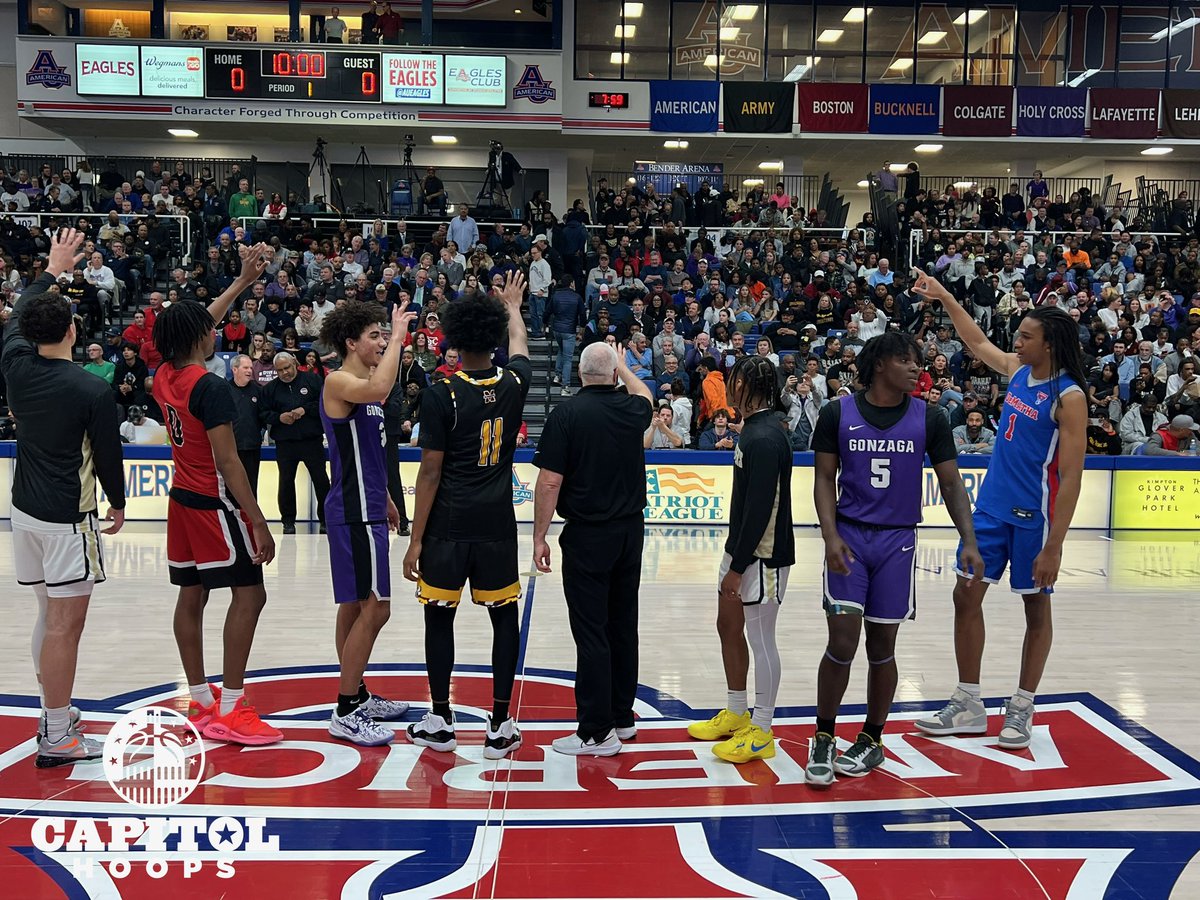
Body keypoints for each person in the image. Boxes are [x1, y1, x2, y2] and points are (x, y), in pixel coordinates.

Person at [910, 270, 1088, 751]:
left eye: (1027, 337)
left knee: (1036, 607)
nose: (1017, 341)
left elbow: (1070, 477)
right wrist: (945, 296)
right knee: (964, 597)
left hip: (1035, 518)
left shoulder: (1070, 398)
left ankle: (1022, 706)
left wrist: (1055, 546)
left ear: (1049, 345)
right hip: (990, 510)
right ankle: (968, 703)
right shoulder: (1019, 371)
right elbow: (976, 342)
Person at [804, 332, 982, 786]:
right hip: (849, 537)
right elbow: (824, 479)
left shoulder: (932, 418)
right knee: (843, 641)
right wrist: (829, 535)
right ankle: (824, 734)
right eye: (905, 360)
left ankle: (872, 738)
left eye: (916, 361)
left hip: (898, 542)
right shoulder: (836, 413)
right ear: (880, 363)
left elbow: (951, 484)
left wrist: (969, 539)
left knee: (882, 646)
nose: (915, 368)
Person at [3, 227, 125, 768]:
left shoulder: (15, 364)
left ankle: (55, 710)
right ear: (74, 330)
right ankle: (56, 731)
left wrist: (51, 271)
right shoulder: (92, 388)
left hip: (24, 510)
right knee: (64, 625)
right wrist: (118, 503)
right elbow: (106, 457)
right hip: (67, 518)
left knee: (45, 613)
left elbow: (20, 312)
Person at [154, 242, 281, 746]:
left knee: (192, 594)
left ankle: (201, 698)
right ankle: (232, 706)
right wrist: (257, 520)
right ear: (201, 339)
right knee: (251, 593)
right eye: (210, 331)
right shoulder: (210, 388)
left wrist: (241, 283)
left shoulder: (164, 374)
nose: (216, 330)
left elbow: (194, 324)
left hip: (180, 499)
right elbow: (229, 464)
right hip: (213, 501)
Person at [402, 272, 531, 760]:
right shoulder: (516, 382)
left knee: (439, 620)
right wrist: (513, 306)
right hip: (497, 525)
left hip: (449, 527)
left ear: (453, 341)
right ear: (493, 336)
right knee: (505, 622)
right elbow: (519, 341)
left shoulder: (441, 393)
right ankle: (500, 723)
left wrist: (415, 540)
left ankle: (441, 717)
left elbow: (430, 474)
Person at [531, 343, 654, 755]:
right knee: (623, 625)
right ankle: (622, 717)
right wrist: (623, 365)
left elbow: (550, 482)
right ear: (615, 373)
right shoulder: (630, 408)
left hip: (588, 535)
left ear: (579, 374)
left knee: (591, 632)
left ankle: (596, 732)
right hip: (630, 533)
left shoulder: (566, 414)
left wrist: (538, 536)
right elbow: (647, 397)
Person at [687, 356, 794, 764]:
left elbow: (761, 510)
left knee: (761, 639)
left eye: (734, 380)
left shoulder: (766, 438)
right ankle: (736, 711)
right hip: (742, 550)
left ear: (750, 386)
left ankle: (762, 729)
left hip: (763, 555)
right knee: (727, 624)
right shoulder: (752, 430)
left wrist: (737, 567)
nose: (727, 385)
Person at [320, 301, 418, 746]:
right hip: (353, 511)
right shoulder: (340, 381)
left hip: (368, 506)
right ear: (351, 343)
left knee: (355, 604)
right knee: (377, 607)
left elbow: (370, 451)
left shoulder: (363, 387)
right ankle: (345, 710)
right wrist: (399, 335)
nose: (381, 342)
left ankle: (355, 694)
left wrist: (390, 502)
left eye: (384, 336)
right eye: (374, 336)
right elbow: (383, 382)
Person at [261, 352, 331, 533]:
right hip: (285, 443)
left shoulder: (312, 380)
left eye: (287, 368)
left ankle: (325, 519)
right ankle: (288, 521)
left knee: (321, 480)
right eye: (280, 370)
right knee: (285, 482)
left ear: (294, 363)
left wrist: (304, 410)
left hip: (311, 440)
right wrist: (279, 418)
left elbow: (325, 403)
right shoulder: (270, 389)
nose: (284, 373)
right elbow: (262, 413)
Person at [229, 354, 263, 493]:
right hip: (231, 449)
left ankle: (249, 515)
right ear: (235, 369)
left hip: (252, 447)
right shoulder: (224, 390)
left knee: (251, 487)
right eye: (245, 367)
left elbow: (263, 416)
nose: (250, 370)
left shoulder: (258, 389)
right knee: (231, 489)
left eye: (251, 367)